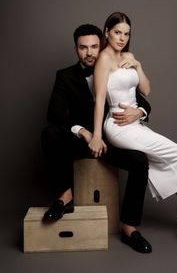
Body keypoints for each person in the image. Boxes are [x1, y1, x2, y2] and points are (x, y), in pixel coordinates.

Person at [89, 12, 177, 244]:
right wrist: (97, 136)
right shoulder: (103, 60)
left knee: (170, 161)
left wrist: (138, 66)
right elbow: (99, 99)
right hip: (118, 127)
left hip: (136, 124)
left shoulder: (129, 56)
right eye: (117, 32)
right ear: (107, 31)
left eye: (126, 33)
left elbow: (147, 91)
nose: (122, 38)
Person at [41, 24, 153, 253]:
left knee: (140, 162)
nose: (89, 53)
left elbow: (145, 103)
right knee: (50, 133)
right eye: (83, 48)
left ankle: (129, 228)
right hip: (82, 143)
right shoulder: (65, 76)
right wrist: (85, 133)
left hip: (112, 142)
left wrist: (139, 112)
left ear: (101, 45)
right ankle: (65, 196)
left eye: (94, 46)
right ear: (76, 50)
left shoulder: (115, 69)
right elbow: (54, 115)